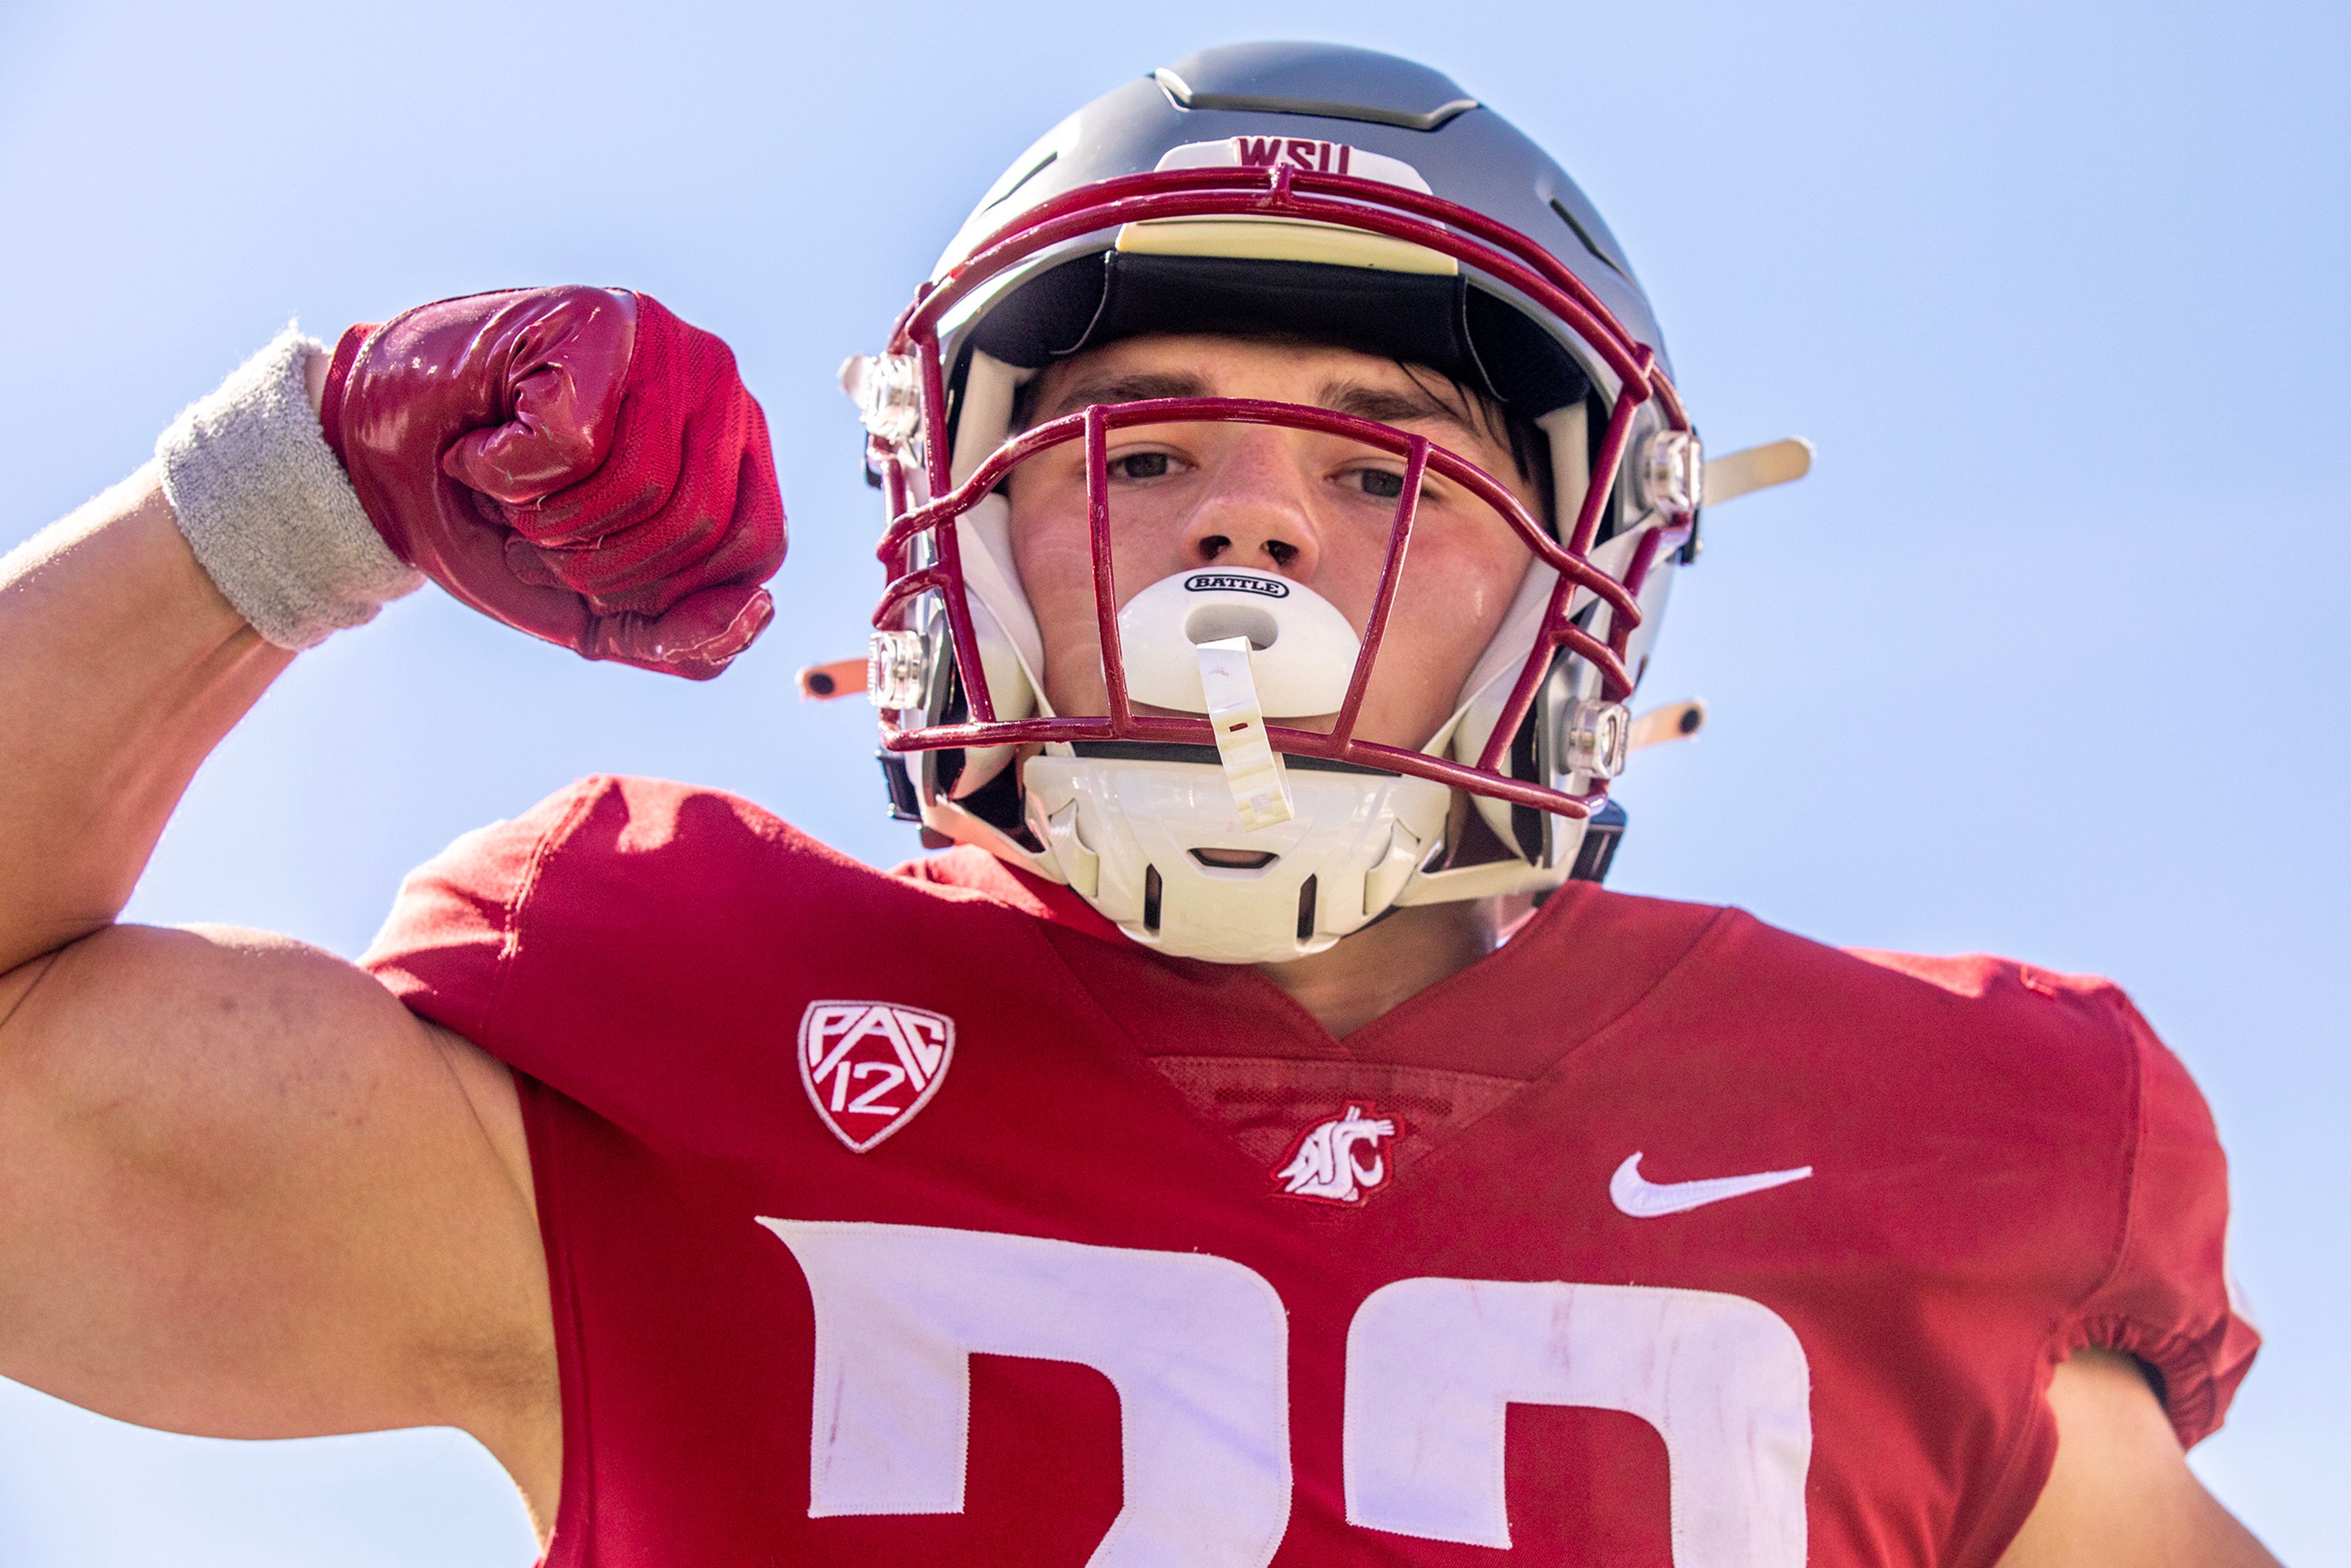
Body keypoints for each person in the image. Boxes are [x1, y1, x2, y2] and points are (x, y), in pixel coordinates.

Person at [0, 39, 2275, 1568]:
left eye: (1383, 458)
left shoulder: (1934, 1149)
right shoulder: (656, 1050)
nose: (1249, 539)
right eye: (1154, 447)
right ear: (969, 531)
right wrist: (301, 489)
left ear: (1600, 553)